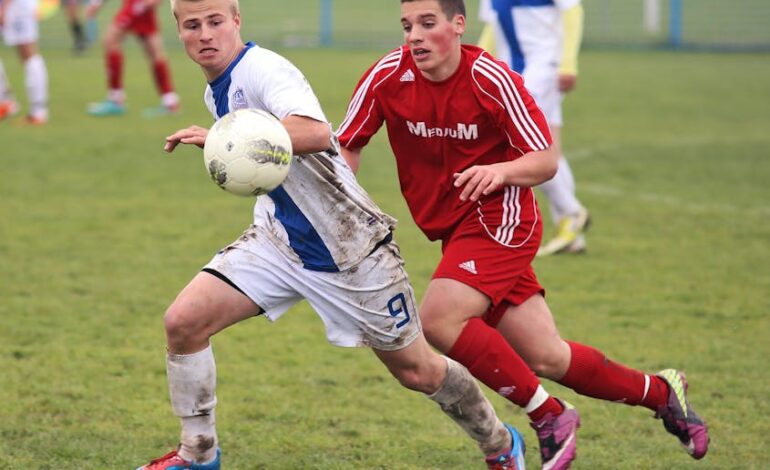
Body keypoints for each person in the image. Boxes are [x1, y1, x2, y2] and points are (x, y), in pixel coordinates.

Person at [136, 1, 529, 469]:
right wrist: (226, 133)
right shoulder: (217, 89)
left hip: (351, 251)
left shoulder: (263, 69)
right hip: (280, 242)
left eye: (216, 22)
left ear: (237, 21)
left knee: (418, 370)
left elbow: (318, 133)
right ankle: (198, 455)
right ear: (178, 32)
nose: (205, 34)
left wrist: (231, 138)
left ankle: (501, 444)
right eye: (192, 25)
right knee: (183, 323)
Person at [336, 0, 709, 466]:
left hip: (501, 221)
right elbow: (346, 143)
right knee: (548, 358)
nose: (414, 36)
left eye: (427, 24)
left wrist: (502, 171)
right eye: (407, 25)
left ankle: (548, 414)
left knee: (439, 320)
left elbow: (546, 160)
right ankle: (660, 393)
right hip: (453, 230)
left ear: (458, 25)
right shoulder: (387, 76)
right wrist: (344, 205)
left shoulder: (491, 79)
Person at [478, 0, 589, 256]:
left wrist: (568, 63)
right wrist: (477, 64)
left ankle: (571, 212)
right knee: (550, 148)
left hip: (543, 69)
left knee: (522, 145)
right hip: (514, 73)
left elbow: (573, 11)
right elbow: (493, 27)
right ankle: (571, 232)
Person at [87, 0, 179, 117]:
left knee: (111, 41)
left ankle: (116, 99)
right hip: (137, 5)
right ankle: (170, 101)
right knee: (155, 53)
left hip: (137, 5)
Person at [0, 0, 49, 124]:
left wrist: (4, 8)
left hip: (18, 7)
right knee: (27, 55)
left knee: (28, 54)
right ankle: (5, 103)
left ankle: (38, 112)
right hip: (15, 7)